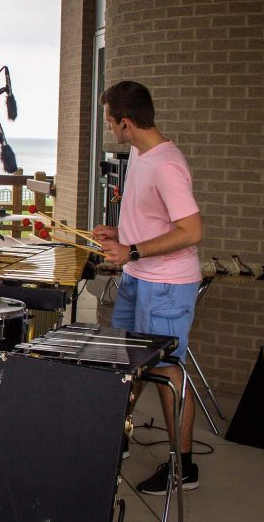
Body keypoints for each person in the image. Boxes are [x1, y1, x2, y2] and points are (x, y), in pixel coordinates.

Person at [92, 80, 203, 495]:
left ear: (126, 122)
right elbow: (151, 218)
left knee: (166, 371)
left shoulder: (166, 164)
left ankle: (184, 467)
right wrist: (121, 234)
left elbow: (191, 231)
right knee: (127, 361)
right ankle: (117, 434)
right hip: (138, 277)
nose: (109, 128)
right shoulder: (140, 153)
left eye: (109, 122)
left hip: (167, 286)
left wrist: (132, 250)